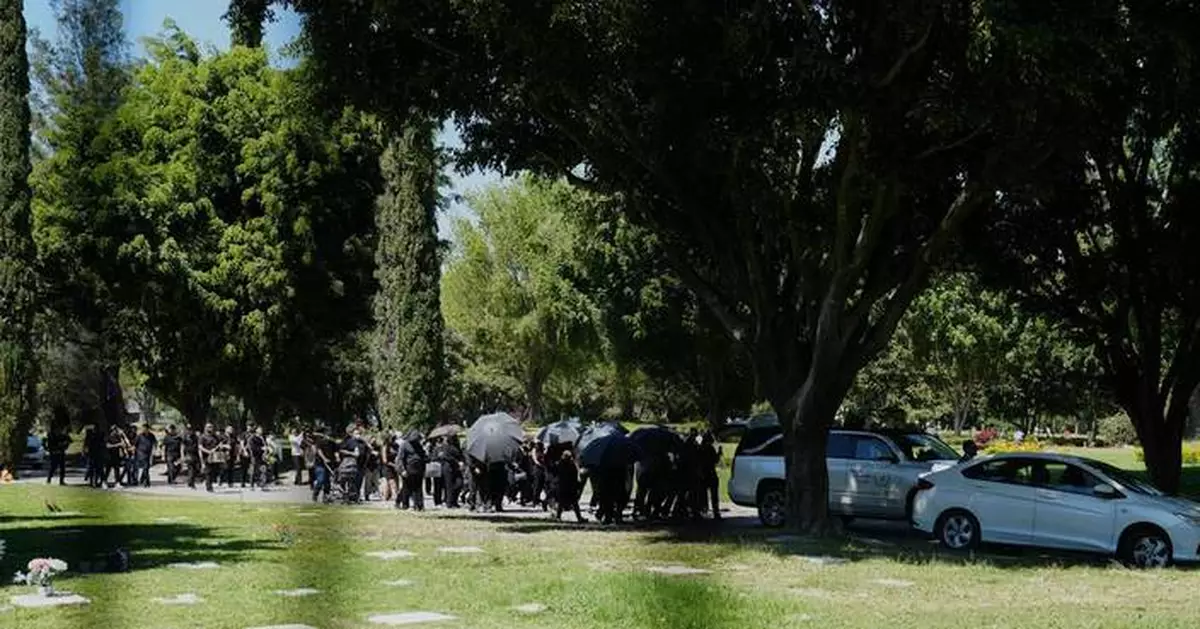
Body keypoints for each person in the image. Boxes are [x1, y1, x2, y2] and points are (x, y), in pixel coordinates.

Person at [550, 449, 587, 523]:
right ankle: (579, 518)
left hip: (562, 486)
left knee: (561, 503)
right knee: (575, 504)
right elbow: (575, 476)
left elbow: (554, 473)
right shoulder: (572, 465)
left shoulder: (559, 464)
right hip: (571, 487)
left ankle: (558, 517)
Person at [397, 431, 428, 511]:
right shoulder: (404, 445)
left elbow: (423, 456)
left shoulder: (418, 445)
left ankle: (419, 505)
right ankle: (405, 505)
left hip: (419, 469)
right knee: (407, 488)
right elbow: (400, 458)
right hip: (408, 469)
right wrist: (402, 470)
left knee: (418, 488)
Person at [697, 432, 721, 521]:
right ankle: (715, 512)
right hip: (710, 473)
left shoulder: (700, 449)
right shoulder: (709, 449)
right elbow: (715, 460)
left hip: (705, 474)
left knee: (703, 494)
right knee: (713, 495)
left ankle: (704, 510)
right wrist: (719, 453)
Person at [198, 423, 224, 493]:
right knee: (208, 472)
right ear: (205, 428)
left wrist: (220, 447)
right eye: (209, 427)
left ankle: (209, 483)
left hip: (215, 457)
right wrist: (208, 451)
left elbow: (219, 444)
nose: (210, 428)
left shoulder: (215, 437)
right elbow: (200, 447)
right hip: (206, 456)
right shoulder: (202, 437)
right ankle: (209, 487)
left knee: (214, 471)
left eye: (211, 427)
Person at [247, 426, 268, 490]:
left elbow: (265, 446)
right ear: (256, 430)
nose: (261, 431)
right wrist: (261, 448)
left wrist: (267, 450)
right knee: (253, 471)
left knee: (262, 470)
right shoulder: (252, 438)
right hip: (255, 456)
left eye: (261, 429)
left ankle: (261, 484)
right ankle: (252, 484)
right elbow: (253, 448)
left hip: (262, 456)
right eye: (260, 429)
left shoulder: (263, 438)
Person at [182, 425, 200, 489]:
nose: (189, 431)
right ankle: (191, 483)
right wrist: (183, 455)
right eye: (188, 430)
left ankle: (190, 482)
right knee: (191, 469)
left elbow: (198, 446)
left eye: (190, 430)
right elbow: (183, 446)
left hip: (195, 454)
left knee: (194, 469)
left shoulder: (195, 437)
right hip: (189, 454)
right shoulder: (185, 437)